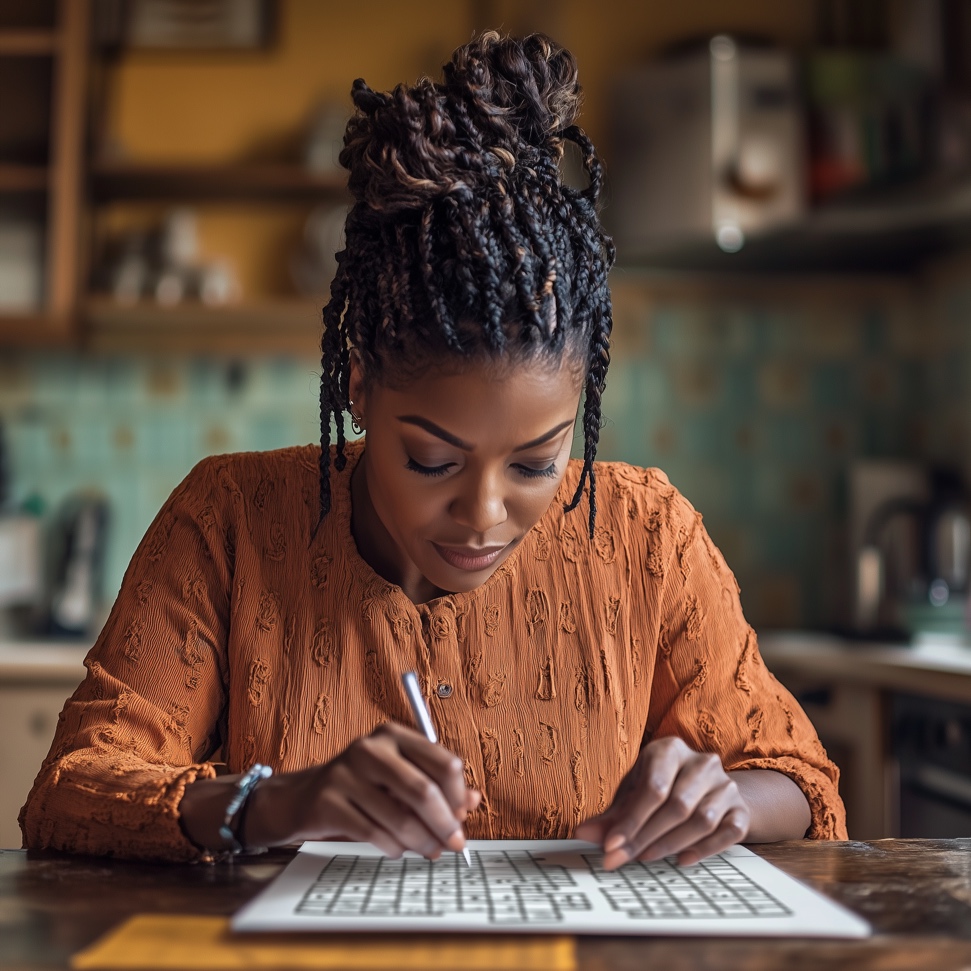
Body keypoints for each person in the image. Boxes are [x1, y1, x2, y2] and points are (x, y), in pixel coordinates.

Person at [20, 32, 845, 868]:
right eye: (431, 459)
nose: (484, 516)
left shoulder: (646, 533)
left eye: (534, 464)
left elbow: (801, 783)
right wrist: (274, 802)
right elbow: (71, 791)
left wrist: (718, 799)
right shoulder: (231, 519)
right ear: (359, 389)